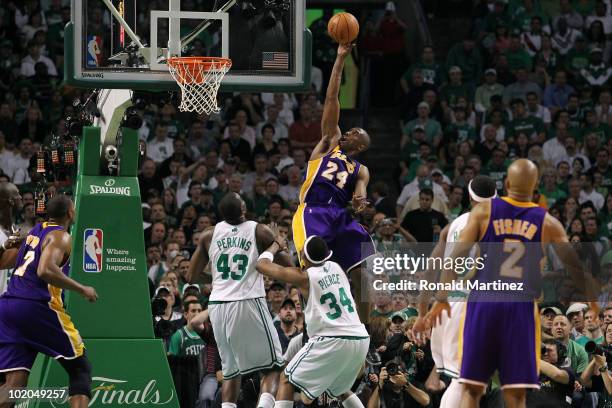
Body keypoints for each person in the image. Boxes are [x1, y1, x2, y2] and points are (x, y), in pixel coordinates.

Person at [430, 159, 595, 408]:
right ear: (536, 186)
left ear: (507, 184)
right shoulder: (546, 221)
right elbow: (573, 265)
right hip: (519, 308)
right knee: (516, 393)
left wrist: (441, 298)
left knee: (471, 388)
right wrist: (591, 299)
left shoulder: (483, 213)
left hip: (483, 304)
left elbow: (452, 260)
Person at [291, 43, 375, 316]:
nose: (347, 133)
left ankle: (364, 332)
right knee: (314, 272)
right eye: (348, 130)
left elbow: (360, 192)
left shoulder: (360, 169)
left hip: (340, 214)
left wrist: (360, 201)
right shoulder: (329, 142)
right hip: (313, 211)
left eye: (353, 133)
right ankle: (312, 326)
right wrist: (340, 58)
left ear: (360, 146)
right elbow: (331, 98)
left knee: (362, 272)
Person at [187, 193, 292, 408]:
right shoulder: (259, 230)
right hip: (247, 301)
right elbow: (286, 266)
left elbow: (191, 276)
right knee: (273, 367)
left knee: (231, 372)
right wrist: (278, 244)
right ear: (244, 208)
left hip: (217, 306)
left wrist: (216, 277)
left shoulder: (209, 234)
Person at [0, 195, 98, 408]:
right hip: (36, 306)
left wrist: (5, 246)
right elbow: (45, 269)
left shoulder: (33, 233)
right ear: (71, 213)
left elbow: (2, 261)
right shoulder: (60, 236)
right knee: (80, 368)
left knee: (15, 383)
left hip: (8, 307)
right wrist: (82, 288)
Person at [413, 175, 498, 408]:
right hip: (477, 304)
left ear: (470, 196)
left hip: (450, 304)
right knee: (464, 380)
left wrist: (422, 314)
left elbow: (430, 271)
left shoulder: (455, 225)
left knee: (465, 380)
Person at [256, 235, 369, 407]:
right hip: (360, 338)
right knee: (338, 388)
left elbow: (261, 265)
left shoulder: (305, 277)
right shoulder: (336, 267)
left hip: (332, 338)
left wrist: (275, 246)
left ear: (304, 257)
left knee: (286, 379)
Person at [0, 182, 24, 294]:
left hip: (11, 302)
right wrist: (4, 246)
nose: (20, 197)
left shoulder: (17, 231)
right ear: (10, 201)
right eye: (17, 194)